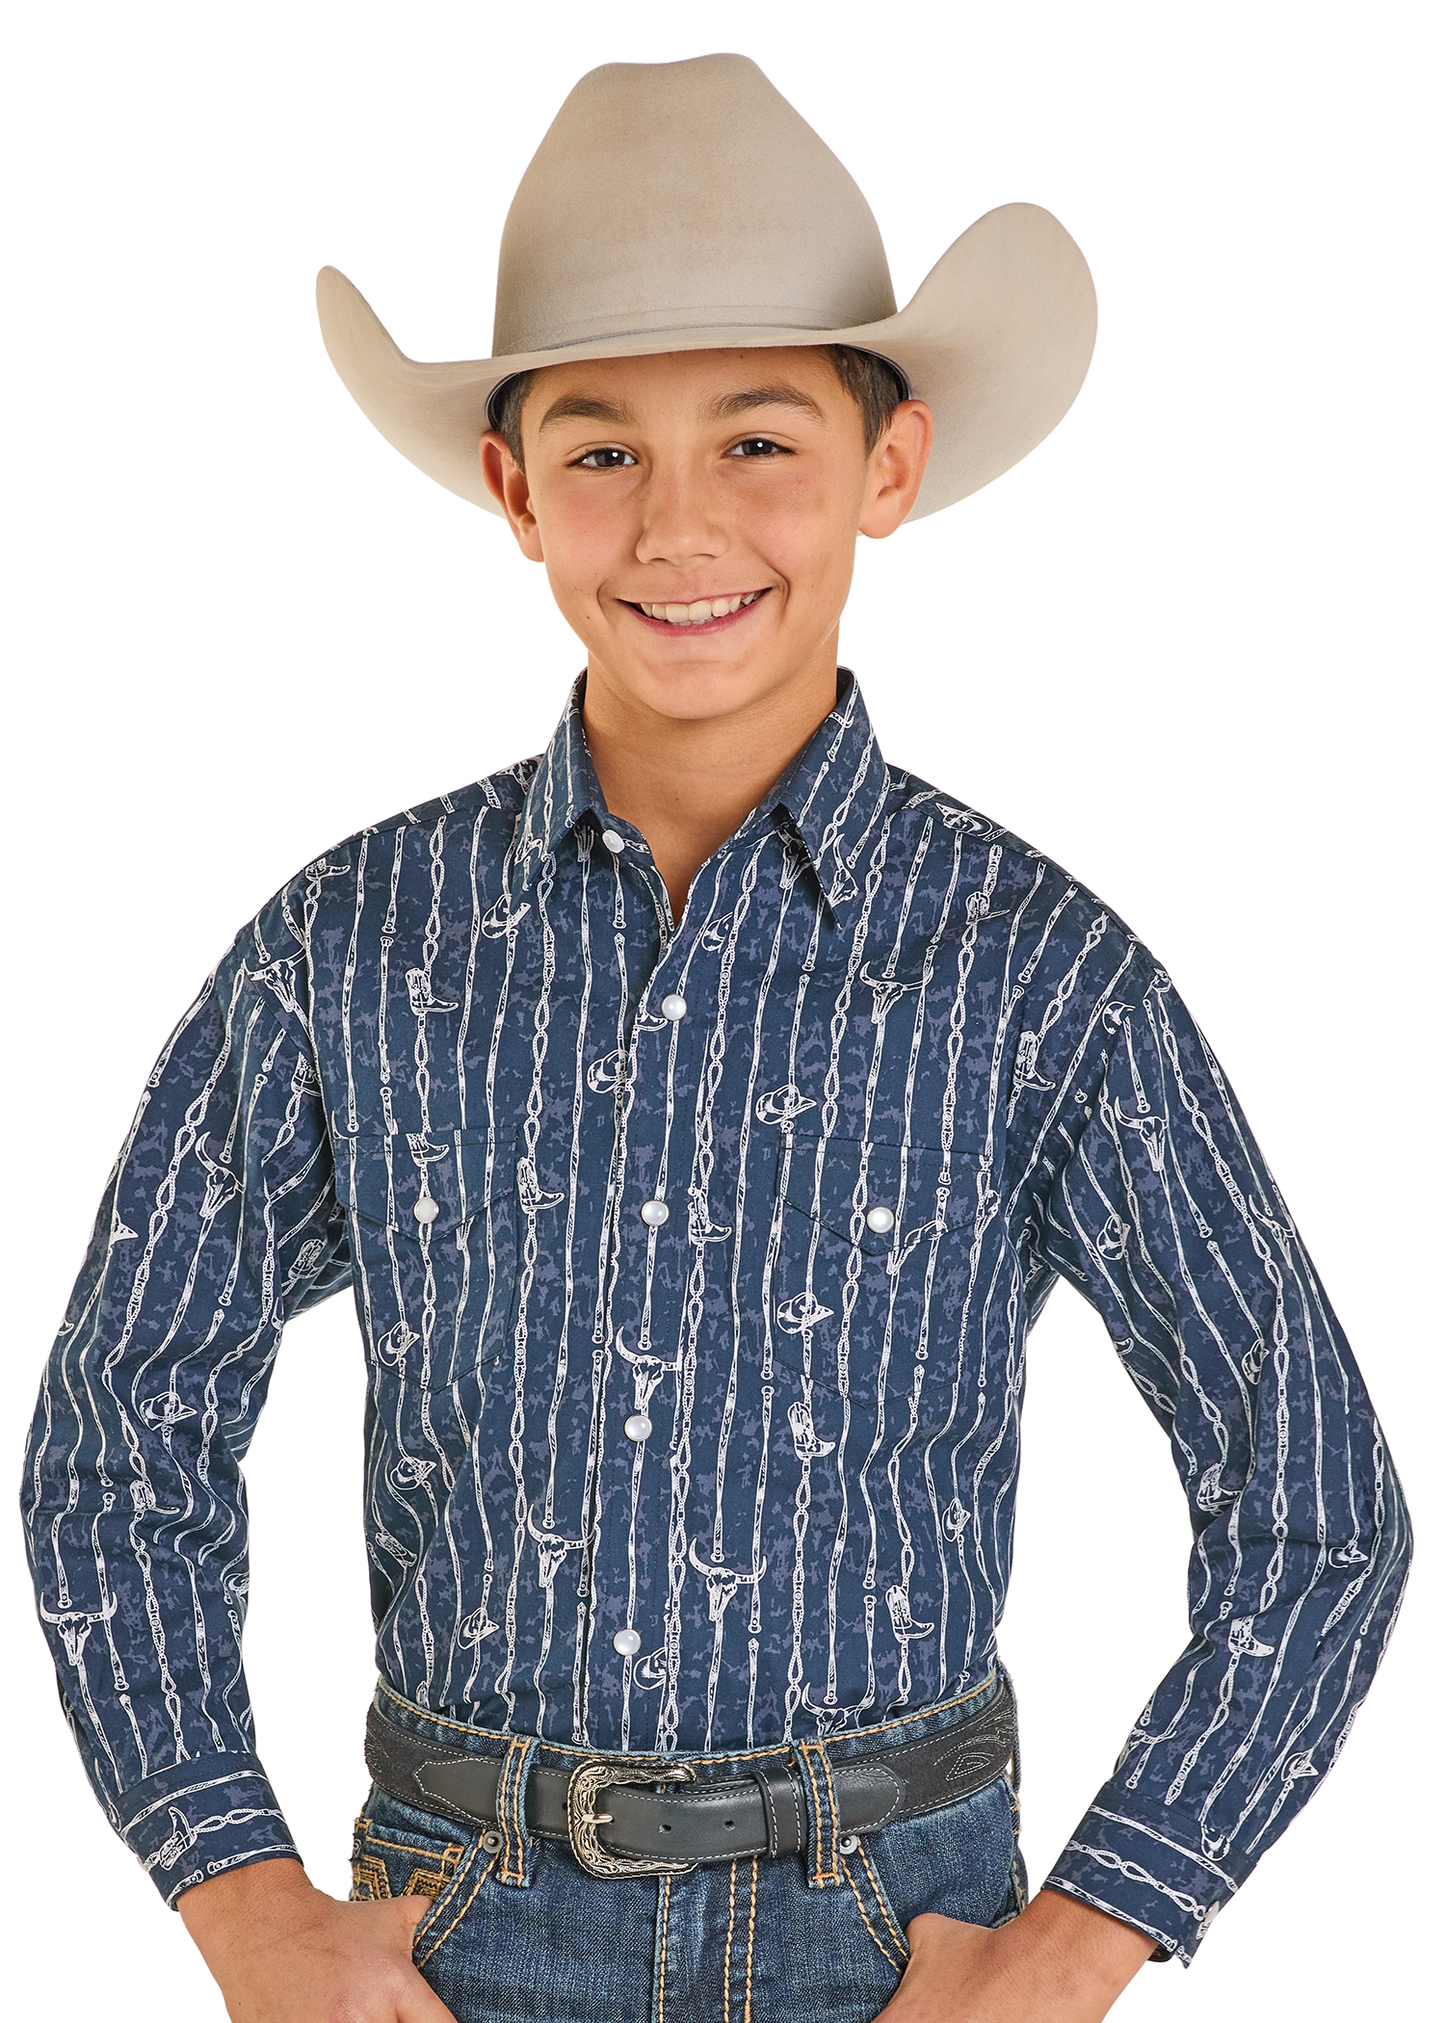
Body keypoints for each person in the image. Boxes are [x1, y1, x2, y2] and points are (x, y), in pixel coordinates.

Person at [19, 50, 1414, 2023]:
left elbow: (1316, 1500)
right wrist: (236, 1892)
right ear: (512, 490)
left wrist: (1088, 1935)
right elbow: (118, 1428)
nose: (680, 525)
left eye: (756, 439)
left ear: (887, 469)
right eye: (602, 453)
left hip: (897, 1935)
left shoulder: (1041, 972)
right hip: (453, 1928)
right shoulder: (346, 949)